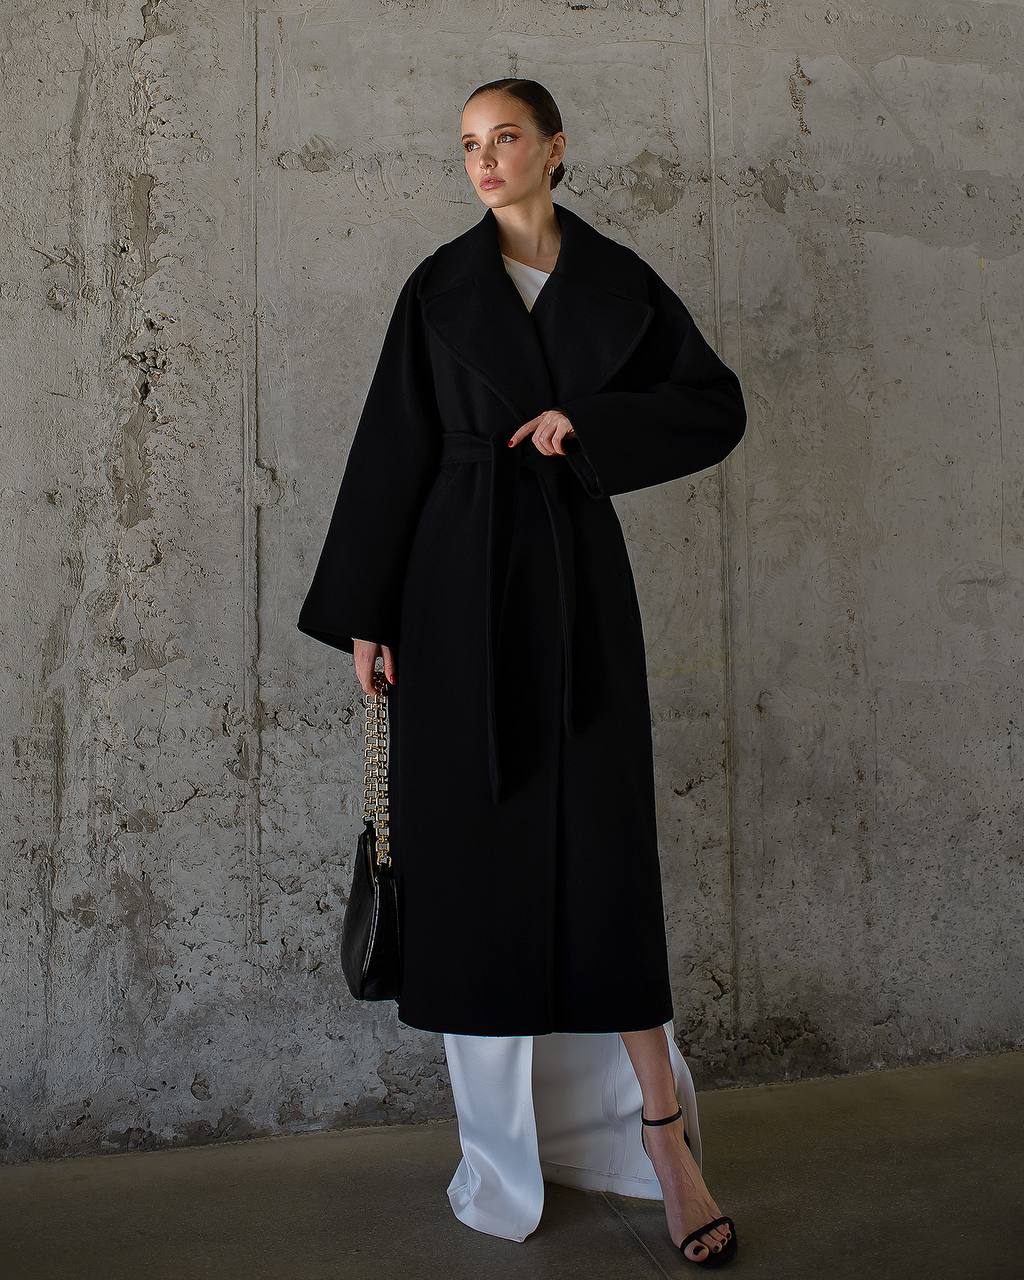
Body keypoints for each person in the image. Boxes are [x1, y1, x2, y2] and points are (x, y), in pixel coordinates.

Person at [298, 77, 746, 1266]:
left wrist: (588, 425)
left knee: (605, 863)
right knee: (477, 869)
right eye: (466, 146)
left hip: (573, 585)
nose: (484, 161)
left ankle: (662, 1141)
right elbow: (390, 441)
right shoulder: (438, 289)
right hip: (448, 591)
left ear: (554, 148)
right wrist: (367, 611)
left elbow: (711, 405)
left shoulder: (619, 283)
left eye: (505, 139)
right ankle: (503, 1153)